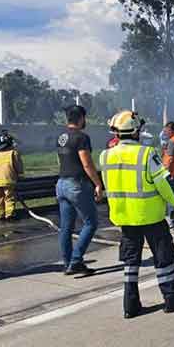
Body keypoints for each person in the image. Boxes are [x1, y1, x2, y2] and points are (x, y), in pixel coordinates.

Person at [99, 110, 174, 318]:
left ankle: (130, 306)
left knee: (131, 262)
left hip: (124, 217)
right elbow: (161, 183)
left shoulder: (105, 155)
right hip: (150, 216)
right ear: (135, 131)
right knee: (164, 258)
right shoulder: (146, 153)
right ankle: (172, 299)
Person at [56, 105, 103, 276]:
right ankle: (76, 261)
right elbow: (87, 163)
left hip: (61, 183)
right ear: (81, 118)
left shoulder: (61, 137)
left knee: (66, 227)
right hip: (77, 184)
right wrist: (98, 183)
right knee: (91, 223)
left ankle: (68, 263)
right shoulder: (81, 137)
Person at [0, 130, 23, 221]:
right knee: (9, 197)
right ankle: (9, 215)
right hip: (8, 179)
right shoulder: (13, 152)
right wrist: (20, 173)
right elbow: (18, 166)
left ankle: (0, 215)